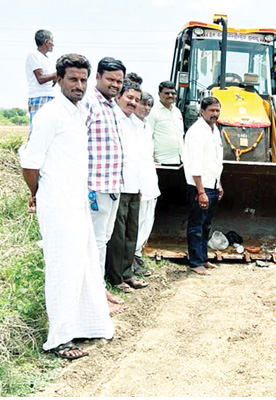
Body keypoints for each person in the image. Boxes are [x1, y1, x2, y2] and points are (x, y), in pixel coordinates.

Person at [20, 53, 114, 359]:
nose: (79, 85)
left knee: (83, 266)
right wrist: (38, 193)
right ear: (58, 79)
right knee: (63, 269)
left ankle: (84, 326)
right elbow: (29, 162)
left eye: (84, 79)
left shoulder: (76, 112)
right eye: (73, 79)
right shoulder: (50, 114)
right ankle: (59, 339)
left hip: (76, 202)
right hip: (57, 204)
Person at [82, 56, 127, 315]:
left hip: (112, 185)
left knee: (104, 240)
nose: (115, 85)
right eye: (110, 79)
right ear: (98, 77)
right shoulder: (89, 103)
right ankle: (95, 299)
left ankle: (99, 290)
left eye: (119, 81)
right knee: (95, 242)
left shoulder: (111, 106)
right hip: (94, 186)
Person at [105, 82, 148, 292]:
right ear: (119, 97)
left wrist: (140, 185)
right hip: (118, 185)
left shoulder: (135, 123)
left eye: (137, 100)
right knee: (118, 234)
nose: (133, 103)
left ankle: (127, 273)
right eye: (130, 98)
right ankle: (115, 278)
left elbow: (137, 157)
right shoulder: (114, 119)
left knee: (131, 232)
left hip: (133, 185)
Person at [183, 97, 224, 275]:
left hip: (212, 184)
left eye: (217, 110)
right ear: (202, 111)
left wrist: (219, 184)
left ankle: (204, 258)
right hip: (200, 187)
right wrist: (201, 191)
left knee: (206, 225)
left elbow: (215, 161)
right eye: (211, 111)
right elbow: (194, 163)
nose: (215, 114)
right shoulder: (196, 132)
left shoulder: (215, 130)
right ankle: (195, 262)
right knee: (196, 225)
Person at [133, 92, 159, 276]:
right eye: (143, 104)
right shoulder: (130, 126)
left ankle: (138, 252)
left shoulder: (146, 127)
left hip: (150, 181)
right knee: (137, 221)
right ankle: (132, 258)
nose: (146, 108)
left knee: (147, 220)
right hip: (138, 182)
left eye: (149, 105)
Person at [25, 29, 57, 131]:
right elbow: (40, 78)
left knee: (48, 130)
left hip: (49, 96)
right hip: (39, 96)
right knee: (38, 129)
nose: (53, 44)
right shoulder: (33, 54)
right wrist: (56, 74)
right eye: (52, 41)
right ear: (46, 42)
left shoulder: (46, 58)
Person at [147, 81, 184, 165]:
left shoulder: (177, 111)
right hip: (163, 161)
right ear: (159, 94)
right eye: (167, 93)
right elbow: (148, 136)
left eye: (173, 93)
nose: (170, 96)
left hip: (180, 160)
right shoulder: (153, 112)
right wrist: (151, 156)